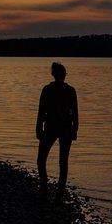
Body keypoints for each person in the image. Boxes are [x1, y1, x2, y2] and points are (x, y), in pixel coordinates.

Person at [36, 61, 78, 200]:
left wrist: (38, 128)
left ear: (53, 74)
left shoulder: (47, 89)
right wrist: (75, 130)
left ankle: (44, 189)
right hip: (65, 127)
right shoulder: (70, 90)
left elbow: (41, 111)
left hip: (50, 127)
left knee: (41, 159)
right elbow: (75, 113)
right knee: (63, 161)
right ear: (64, 75)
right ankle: (59, 193)